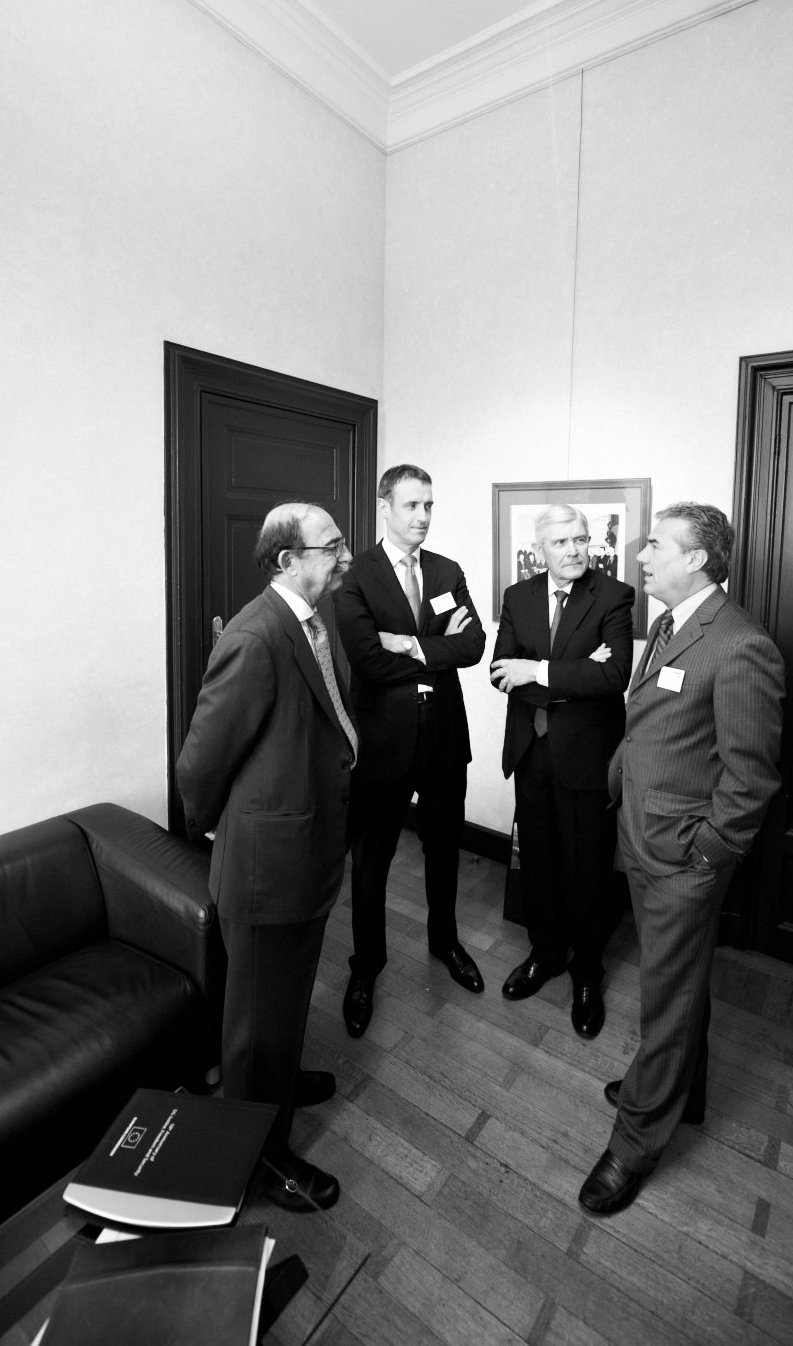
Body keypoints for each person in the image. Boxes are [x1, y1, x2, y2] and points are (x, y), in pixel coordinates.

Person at [578, 502, 785, 1216]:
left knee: (664, 998)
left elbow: (750, 775)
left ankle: (634, 1141)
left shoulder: (739, 644)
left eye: (655, 544)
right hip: (642, 833)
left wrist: (707, 853)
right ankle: (680, 1090)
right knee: (676, 978)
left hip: (682, 858)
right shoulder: (669, 623)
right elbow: (656, 722)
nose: (639, 554)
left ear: (697, 558)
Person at [176, 501, 358, 1213]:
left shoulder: (315, 617)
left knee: (283, 1001)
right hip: (268, 862)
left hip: (306, 848)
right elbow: (199, 763)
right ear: (288, 559)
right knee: (255, 1022)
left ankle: (280, 1081)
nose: (344, 556)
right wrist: (217, 830)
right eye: (331, 546)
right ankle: (260, 1160)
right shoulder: (255, 637)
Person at [334, 464, 487, 1037]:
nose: (422, 517)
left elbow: (473, 645)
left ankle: (444, 942)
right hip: (384, 740)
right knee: (372, 860)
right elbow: (366, 659)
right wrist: (433, 647)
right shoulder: (357, 577)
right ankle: (365, 966)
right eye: (411, 506)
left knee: (444, 846)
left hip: (444, 732)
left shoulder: (447, 570)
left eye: (429, 505)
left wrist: (410, 643)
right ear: (385, 507)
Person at [490, 505, 635, 1038]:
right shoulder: (518, 597)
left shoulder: (614, 596)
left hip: (586, 756)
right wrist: (575, 672)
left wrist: (541, 669)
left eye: (581, 539)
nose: (574, 550)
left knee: (590, 869)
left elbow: (614, 675)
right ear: (539, 548)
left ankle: (587, 973)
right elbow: (499, 671)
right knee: (542, 861)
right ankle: (545, 954)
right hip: (532, 750)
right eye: (561, 543)